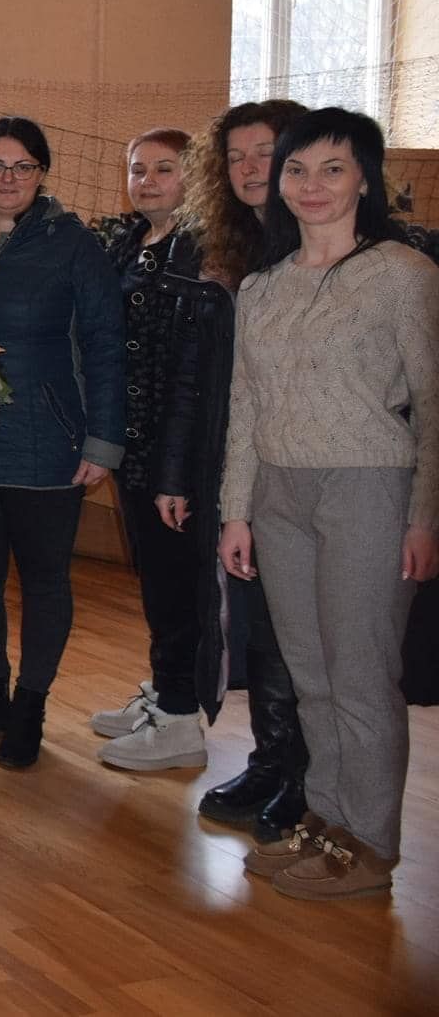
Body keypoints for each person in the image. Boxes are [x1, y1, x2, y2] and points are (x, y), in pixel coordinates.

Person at [218, 108, 438, 901]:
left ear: (366, 180)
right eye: (298, 169)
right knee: (310, 676)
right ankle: (327, 820)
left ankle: (371, 843)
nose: (313, 185)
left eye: (333, 168)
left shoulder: (403, 276)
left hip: (367, 487)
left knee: (362, 675)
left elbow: (435, 403)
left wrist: (424, 516)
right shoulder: (261, 286)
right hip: (278, 491)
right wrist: (236, 510)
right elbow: (244, 405)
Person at [0, 116, 126, 769]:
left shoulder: (73, 245)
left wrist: (103, 442)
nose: (7, 178)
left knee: (45, 581)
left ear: (41, 173)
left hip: (48, 441)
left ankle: (31, 704)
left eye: (22, 166)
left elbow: (104, 346)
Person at [163, 99, 313, 840]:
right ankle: (270, 757)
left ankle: (305, 777)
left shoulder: (327, 253)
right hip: (232, 466)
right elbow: (198, 375)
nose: (251, 169)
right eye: (237, 157)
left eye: (267, 153)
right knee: (252, 625)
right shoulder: (220, 250)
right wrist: (178, 471)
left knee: (298, 630)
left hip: (307, 471)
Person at [84, 127, 216, 772]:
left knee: (176, 583)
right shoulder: (132, 244)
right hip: (135, 445)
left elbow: (195, 366)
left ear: (194, 177)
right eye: (138, 169)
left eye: (165, 169)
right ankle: (165, 692)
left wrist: (178, 466)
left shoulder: (205, 249)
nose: (149, 181)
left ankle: (182, 719)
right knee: (154, 578)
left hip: (179, 451)